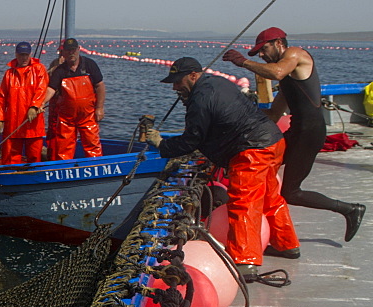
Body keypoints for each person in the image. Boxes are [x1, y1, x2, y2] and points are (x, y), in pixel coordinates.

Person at [146, 57, 298, 280]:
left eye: (178, 81)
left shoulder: (199, 100)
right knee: (270, 197)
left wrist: (162, 144)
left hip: (251, 150)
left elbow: (191, 141)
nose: (175, 87)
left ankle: (245, 262)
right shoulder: (216, 82)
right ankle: (287, 245)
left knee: (243, 203)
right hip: (273, 141)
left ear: (194, 76)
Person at [224, 27, 365, 243]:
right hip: (298, 130)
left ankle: (350, 209)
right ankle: (279, 240)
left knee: (292, 192)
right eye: (258, 53)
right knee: (265, 166)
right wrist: (235, 116)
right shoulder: (287, 81)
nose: (261, 55)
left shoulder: (295, 54)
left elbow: (277, 71)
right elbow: (273, 113)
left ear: (279, 43)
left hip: (310, 132)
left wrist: (243, 62)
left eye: (263, 49)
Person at [43, 38, 104, 160]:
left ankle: (95, 167)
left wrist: (99, 108)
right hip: (67, 118)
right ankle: (63, 171)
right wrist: (40, 103)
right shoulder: (60, 70)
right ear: (63, 53)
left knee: (92, 144)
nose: (71, 53)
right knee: (63, 148)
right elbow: (51, 89)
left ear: (78, 50)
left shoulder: (89, 65)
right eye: (68, 51)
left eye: (73, 50)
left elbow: (100, 86)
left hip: (88, 115)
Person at [0, 41, 48, 164]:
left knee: (34, 157)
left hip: (33, 123)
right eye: (21, 55)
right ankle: (10, 180)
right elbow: (1, 98)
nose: (24, 58)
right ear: (16, 55)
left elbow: (41, 89)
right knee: (10, 159)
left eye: (26, 55)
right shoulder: (9, 74)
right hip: (13, 123)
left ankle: (35, 179)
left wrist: (34, 106)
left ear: (30, 55)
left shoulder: (39, 69)